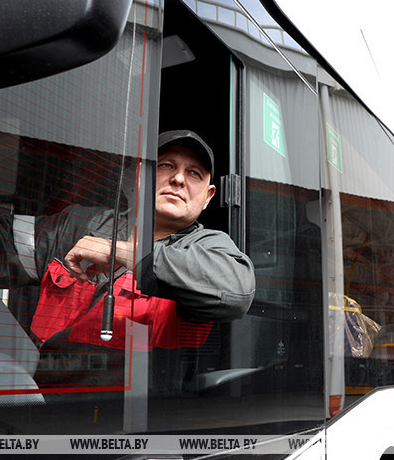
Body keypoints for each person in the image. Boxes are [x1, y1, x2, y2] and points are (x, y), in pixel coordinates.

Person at [29, 130, 255, 353]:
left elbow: (237, 293)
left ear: (208, 197)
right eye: (166, 165)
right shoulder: (79, 222)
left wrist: (128, 254)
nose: (178, 179)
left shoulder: (210, 246)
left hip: (143, 389)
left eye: (194, 173)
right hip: (35, 386)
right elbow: (0, 245)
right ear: (140, 176)